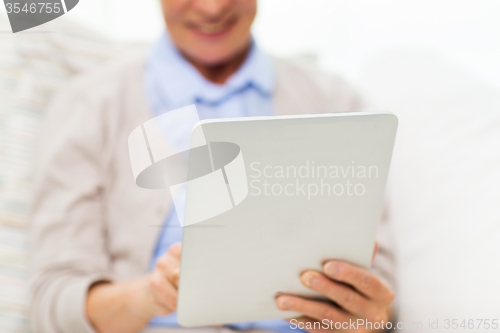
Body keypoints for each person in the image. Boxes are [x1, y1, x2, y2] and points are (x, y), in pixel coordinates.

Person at [29, 0, 395, 332]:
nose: (212, 7)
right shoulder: (89, 106)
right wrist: (148, 296)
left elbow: (382, 291)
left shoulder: (336, 101)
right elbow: (53, 302)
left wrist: (365, 316)